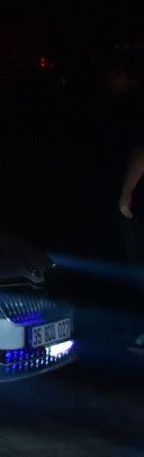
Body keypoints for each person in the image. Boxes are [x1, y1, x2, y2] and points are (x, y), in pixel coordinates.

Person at [110, 59, 144, 353]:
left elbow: (140, 154)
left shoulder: (135, 105)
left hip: (138, 202)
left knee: (138, 263)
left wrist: (126, 193)